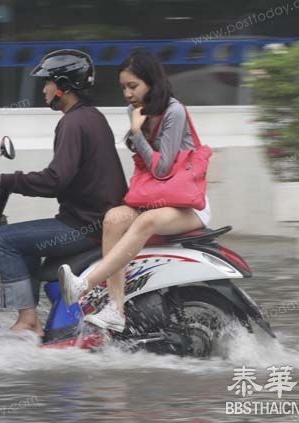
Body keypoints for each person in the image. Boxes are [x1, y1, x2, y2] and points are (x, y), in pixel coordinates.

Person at [58, 50, 211, 332]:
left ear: (152, 83)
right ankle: (116, 309)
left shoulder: (174, 112)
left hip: (187, 207)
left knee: (145, 222)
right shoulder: (136, 112)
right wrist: (137, 130)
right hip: (156, 201)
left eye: (133, 86)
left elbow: (162, 168)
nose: (128, 94)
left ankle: (86, 284)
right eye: (123, 88)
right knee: (114, 217)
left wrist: (137, 134)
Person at [0, 50, 128, 336]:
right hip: (91, 219)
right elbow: (63, 177)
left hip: (84, 225)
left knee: (4, 240)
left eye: (47, 82)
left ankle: (28, 320)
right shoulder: (90, 117)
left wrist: (4, 180)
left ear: (63, 85)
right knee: (24, 240)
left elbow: (55, 180)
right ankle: (31, 318)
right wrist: (11, 180)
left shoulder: (73, 123)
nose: (44, 89)